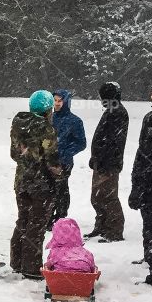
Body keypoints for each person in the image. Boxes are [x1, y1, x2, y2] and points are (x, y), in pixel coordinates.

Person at [9, 90, 63, 278]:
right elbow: (52, 159)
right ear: (48, 109)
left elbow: (14, 154)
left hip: (22, 180)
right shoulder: (46, 128)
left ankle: (17, 261)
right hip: (41, 185)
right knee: (37, 224)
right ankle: (31, 268)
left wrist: (28, 157)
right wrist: (59, 173)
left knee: (23, 219)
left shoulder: (18, 123)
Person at [87, 82, 130, 242]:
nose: (100, 100)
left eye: (102, 97)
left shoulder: (117, 112)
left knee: (108, 197)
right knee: (97, 197)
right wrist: (96, 157)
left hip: (109, 165)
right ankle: (102, 226)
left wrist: (104, 162)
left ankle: (114, 230)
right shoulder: (111, 110)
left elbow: (114, 142)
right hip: (102, 163)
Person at [128, 85, 152, 285]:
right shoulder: (148, 117)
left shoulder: (151, 119)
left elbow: (144, 152)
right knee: (148, 223)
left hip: (149, 179)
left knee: (151, 224)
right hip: (146, 180)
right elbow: (141, 150)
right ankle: (149, 256)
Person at [51, 89, 87, 221]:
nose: (57, 103)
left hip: (64, 162)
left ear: (66, 102)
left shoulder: (75, 121)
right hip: (48, 161)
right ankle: (48, 216)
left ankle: (60, 216)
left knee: (61, 189)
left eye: (60, 100)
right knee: (48, 189)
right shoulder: (49, 117)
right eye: (55, 100)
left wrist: (65, 152)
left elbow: (81, 143)